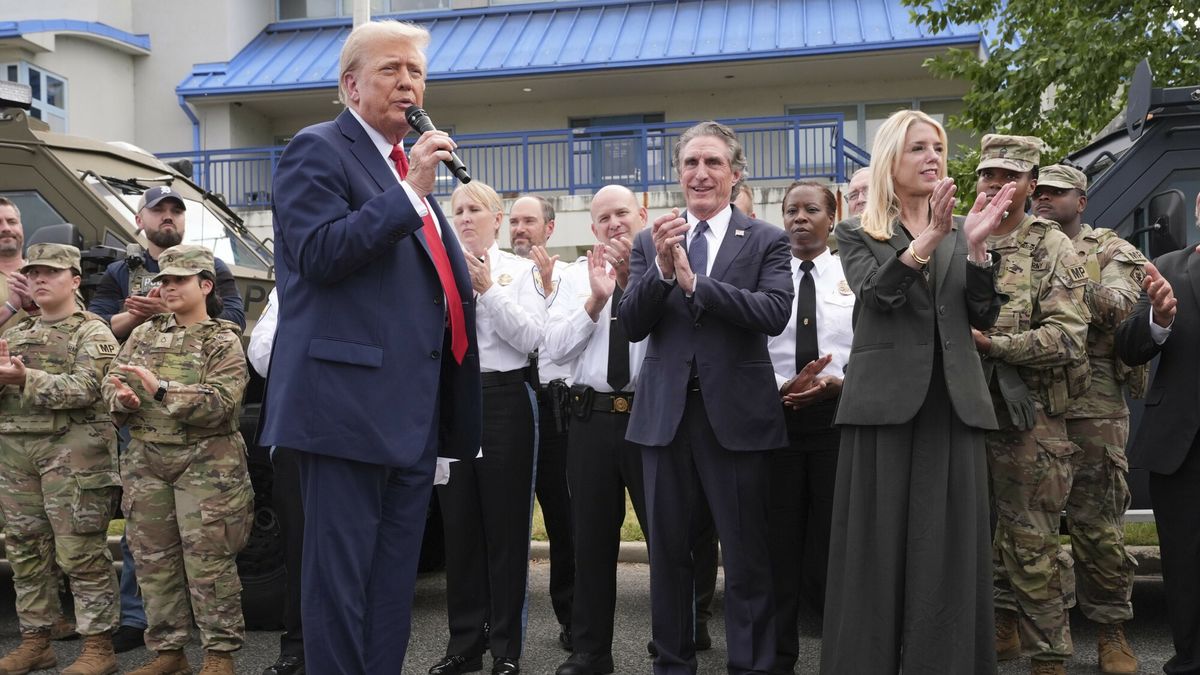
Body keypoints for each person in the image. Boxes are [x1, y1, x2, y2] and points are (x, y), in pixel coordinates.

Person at [259, 18, 481, 675]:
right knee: (338, 590)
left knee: (390, 591)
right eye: (392, 70)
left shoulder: (403, 172)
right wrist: (411, 195)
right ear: (351, 85)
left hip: (407, 417)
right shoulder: (318, 150)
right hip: (343, 412)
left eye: (416, 72)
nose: (408, 83)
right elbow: (319, 254)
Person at [820, 110, 1015, 674]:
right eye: (918, 149)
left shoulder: (962, 227)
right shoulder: (856, 230)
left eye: (938, 147)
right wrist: (927, 240)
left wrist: (977, 252)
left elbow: (981, 313)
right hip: (884, 410)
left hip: (952, 405)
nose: (933, 157)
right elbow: (877, 298)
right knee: (876, 554)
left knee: (948, 553)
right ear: (890, 161)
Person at [620, 120, 794, 675]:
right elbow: (630, 323)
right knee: (668, 558)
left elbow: (773, 312)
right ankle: (672, 664)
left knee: (746, 558)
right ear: (678, 173)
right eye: (691, 163)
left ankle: (752, 665)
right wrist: (665, 275)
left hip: (737, 420)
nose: (701, 173)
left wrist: (700, 286)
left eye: (713, 163)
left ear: (735, 173)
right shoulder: (653, 239)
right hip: (664, 421)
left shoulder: (766, 238)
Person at [86, 185, 246, 655]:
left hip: (207, 468)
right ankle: (168, 653)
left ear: (206, 285)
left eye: (181, 281)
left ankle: (219, 656)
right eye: (164, 281)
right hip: (148, 463)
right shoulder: (142, 335)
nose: (169, 287)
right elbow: (111, 386)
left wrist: (158, 390)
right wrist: (123, 401)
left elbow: (220, 404)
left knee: (210, 566)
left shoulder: (222, 340)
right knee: (154, 564)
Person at [970, 136, 1091, 675]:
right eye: (987, 176)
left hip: (1032, 421)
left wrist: (995, 346)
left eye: (1009, 177)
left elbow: (1067, 338)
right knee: (979, 539)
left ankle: (1049, 658)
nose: (996, 186)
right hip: (966, 412)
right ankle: (1001, 627)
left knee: (1031, 544)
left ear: (1030, 185)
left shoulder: (1052, 246)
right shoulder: (956, 234)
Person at [1032, 164, 1145, 673]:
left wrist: (1066, 273)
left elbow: (1125, 307)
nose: (1043, 199)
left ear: (1081, 200)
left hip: (1094, 406)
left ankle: (1110, 631)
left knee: (1097, 526)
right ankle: (1023, 629)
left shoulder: (1110, 250)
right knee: (1023, 527)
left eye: (1056, 193)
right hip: (1030, 399)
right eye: (1038, 192)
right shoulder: (1016, 244)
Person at [431, 181, 545, 675]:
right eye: (457, 210)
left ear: (498, 219)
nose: (464, 218)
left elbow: (532, 338)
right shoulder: (435, 273)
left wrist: (486, 292)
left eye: (474, 209)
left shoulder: (519, 272)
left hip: (503, 397)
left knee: (504, 529)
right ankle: (464, 645)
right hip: (453, 400)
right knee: (458, 530)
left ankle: (505, 649)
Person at [542, 185, 651, 675]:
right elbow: (555, 350)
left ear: (642, 215)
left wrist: (633, 283)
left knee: (669, 537)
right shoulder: (572, 278)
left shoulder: (665, 268)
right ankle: (591, 651)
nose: (613, 223)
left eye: (622, 213)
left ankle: (678, 638)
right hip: (590, 420)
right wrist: (595, 301)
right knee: (591, 542)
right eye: (603, 217)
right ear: (592, 228)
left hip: (650, 419)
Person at [0, 243, 121, 675]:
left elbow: (87, 387)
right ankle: (37, 640)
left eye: (50, 272)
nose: (39, 279)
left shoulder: (92, 332)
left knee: (81, 552)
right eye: (32, 273)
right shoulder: (16, 333)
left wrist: (23, 377)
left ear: (74, 279)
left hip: (73, 457)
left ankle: (98, 648)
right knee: (26, 551)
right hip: (17, 458)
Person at [764, 181, 853, 674]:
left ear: (831, 217)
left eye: (811, 209)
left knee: (834, 542)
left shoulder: (851, 275)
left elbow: (870, 347)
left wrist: (838, 383)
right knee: (780, 544)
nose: (800, 218)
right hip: (777, 422)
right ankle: (779, 657)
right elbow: (749, 343)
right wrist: (782, 385)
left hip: (836, 422)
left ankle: (842, 654)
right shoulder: (768, 277)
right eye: (791, 210)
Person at [1115, 197, 1200, 675]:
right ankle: (1189, 658)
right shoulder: (1167, 268)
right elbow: (1128, 349)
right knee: (1184, 562)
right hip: (1181, 445)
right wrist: (1159, 322)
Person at [509, 194, 577, 651]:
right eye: (513, 221)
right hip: (507, 403)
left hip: (555, 408)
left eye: (529, 221)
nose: (520, 229)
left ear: (549, 230)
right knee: (505, 520)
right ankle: (499, 623)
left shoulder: (569, 278)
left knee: (564, 519)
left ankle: (573, 617)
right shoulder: (494, 275)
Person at [245, 289, 306, 675]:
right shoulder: (288, 287)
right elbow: (262, 355)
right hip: (298, 428)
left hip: (358, 434)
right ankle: (298, 647)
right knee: (298, 546)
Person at [0, 197, 37, 333]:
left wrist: (34, 307)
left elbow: (75, 325)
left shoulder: (51, 272)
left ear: (21, 227)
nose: (6, 228)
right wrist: (10, 307)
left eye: (12, 222)